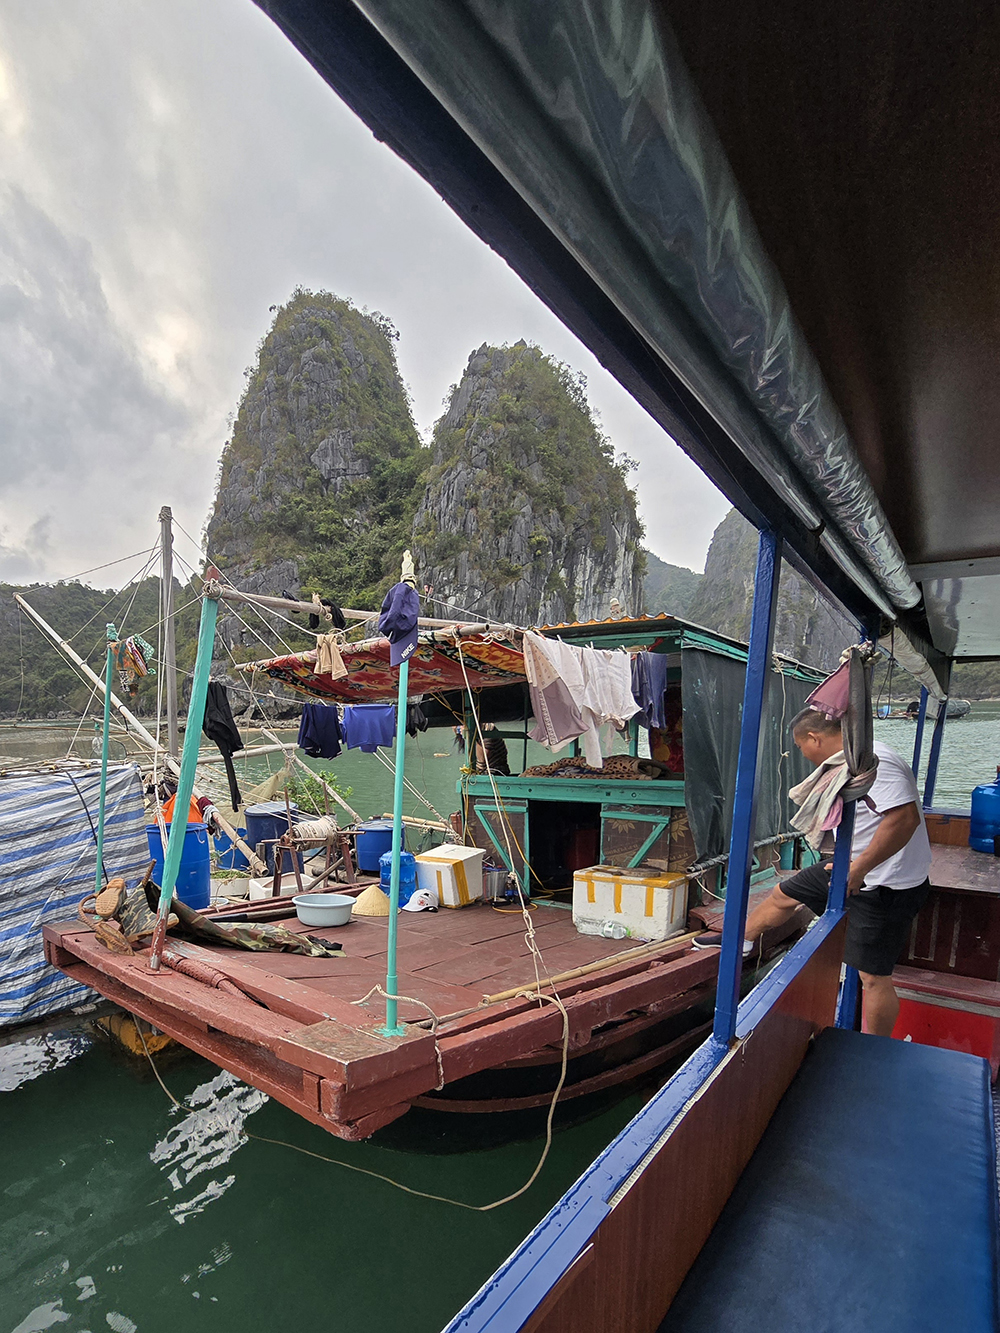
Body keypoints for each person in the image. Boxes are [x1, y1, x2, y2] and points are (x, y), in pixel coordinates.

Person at [694, 707, 932, 1037]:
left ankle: (874, 1047)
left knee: (873, 976)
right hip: (852, 865)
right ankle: (742, 940)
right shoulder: (849, 762)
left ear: (813, 738)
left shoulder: (875, 761)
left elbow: (904, 819)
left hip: (885, 882)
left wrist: (859, 869)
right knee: (783, 895)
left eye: (800, 746)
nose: (803, 755)